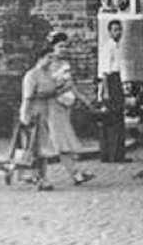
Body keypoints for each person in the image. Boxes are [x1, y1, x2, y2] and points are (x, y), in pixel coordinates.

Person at [18, 32, 95, 191]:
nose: (62, 51)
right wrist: (25, 114)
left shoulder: (52, 70)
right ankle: (47, 176)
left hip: (54, 109)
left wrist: (83, 100)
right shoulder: (35, 74)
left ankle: (64, 174)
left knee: (55, 144)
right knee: (46, 145)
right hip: (43, 110)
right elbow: (31, 96)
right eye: (59, 47)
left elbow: (65, 86)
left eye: (65, 46)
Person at [96, 19, 132, 163]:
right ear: (109, 32)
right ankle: (113, 154)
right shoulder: (108, 47)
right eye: (115, 30)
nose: (118, 32)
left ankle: (116, 154)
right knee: (113, 120)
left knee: (117, 119)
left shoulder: (117, 46)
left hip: (115, 81)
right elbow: (104, 71)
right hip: (110, 82)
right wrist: (104, 91)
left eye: (119, 29)